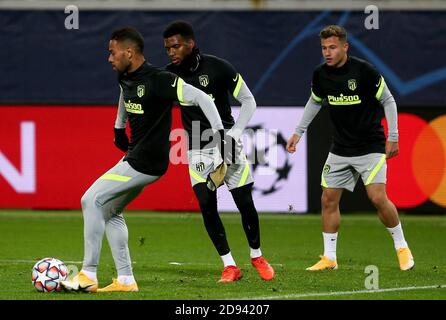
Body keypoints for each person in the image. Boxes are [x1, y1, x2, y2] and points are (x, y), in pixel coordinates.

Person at [61, 27, 225, 292]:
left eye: (112, 52)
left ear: (129, 52)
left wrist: (220, 134)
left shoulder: (160, 79)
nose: (109, 58)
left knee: (90, 200)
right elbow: (125, 94)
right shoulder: (125, 76)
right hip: (136, 156)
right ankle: (126, 280)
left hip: (147, 161)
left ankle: (88, 274)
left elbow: (202, 98)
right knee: (110, 210)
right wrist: (118, 126)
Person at [286, 25, 414, 271]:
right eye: (324, 48)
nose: (327, 52)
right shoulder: (321, 74)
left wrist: (394, 136)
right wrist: (298, 132)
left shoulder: (364, 71)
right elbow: (315, 102)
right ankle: (329, 258)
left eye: (332, 47)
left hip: (370, 145)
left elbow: (388, 99)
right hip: (341, 148)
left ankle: (402, 247)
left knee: (377, 197)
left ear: (345, 46)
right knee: (328, 199)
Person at [162, 21, 275, 282]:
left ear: (190, 43)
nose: (171, 52)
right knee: (206, 205)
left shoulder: (218, 67)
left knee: (245, 203)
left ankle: (257, 255)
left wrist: (234, 133)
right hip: (197, 149)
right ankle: (230, 266)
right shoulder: (168, 77)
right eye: (167, 48)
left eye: (176, 46)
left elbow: (248, 101)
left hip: (227, 143)